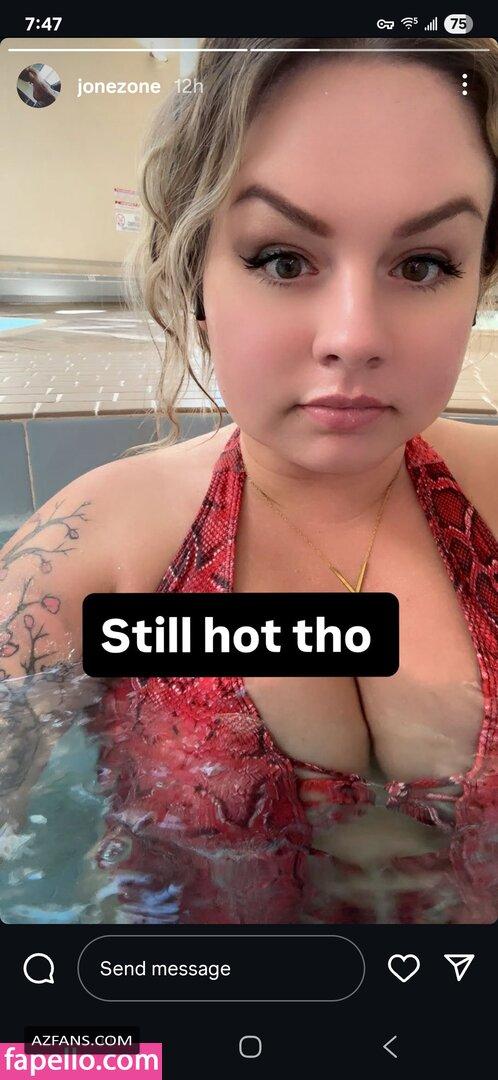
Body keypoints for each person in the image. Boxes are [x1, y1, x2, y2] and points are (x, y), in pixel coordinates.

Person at [0, 36, 497, 924]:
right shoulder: (92, 557)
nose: (353, 337)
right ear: (197, 272)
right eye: (282, 260)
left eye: (423, 263)